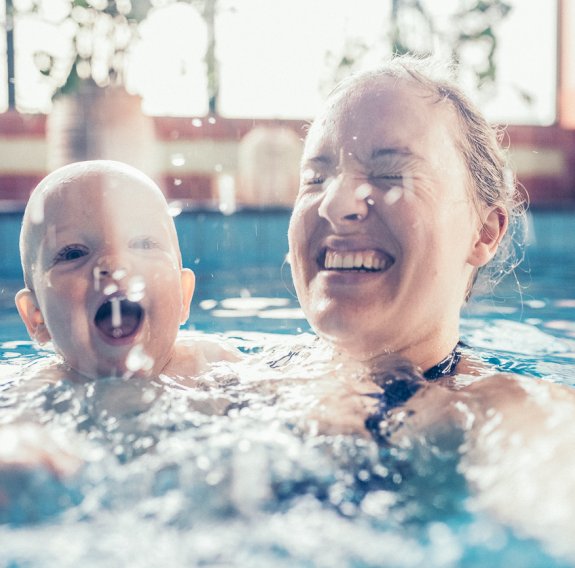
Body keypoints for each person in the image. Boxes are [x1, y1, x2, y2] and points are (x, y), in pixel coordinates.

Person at [286, 55, 575, 559]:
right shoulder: (219, 374)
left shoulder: (507, 417)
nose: (335, 204)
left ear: (484, 232)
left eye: (391, 173)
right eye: (315, 178)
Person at [15, 159, 238, 383]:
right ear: (37, 316)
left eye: (143, 244)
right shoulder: (38, 396)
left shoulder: (211, 363)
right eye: (74, 253)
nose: (114, 264)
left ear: (183, 296)